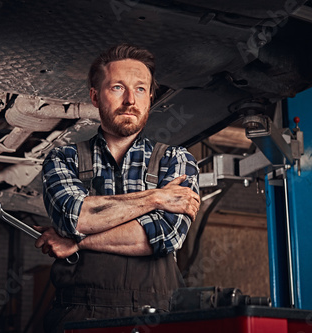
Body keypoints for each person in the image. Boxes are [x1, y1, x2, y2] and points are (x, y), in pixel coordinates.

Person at [34, 44, 200, 332]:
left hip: (157, 319)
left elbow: (162, 237)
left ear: (150, 96)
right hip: (77, 318)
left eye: (139, 89)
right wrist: (156, 197)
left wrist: (78, 242)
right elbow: (77, 217)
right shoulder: (63, 158)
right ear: (95, 96)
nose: (130, 100)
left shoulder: (176, 160)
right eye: (117, 88)